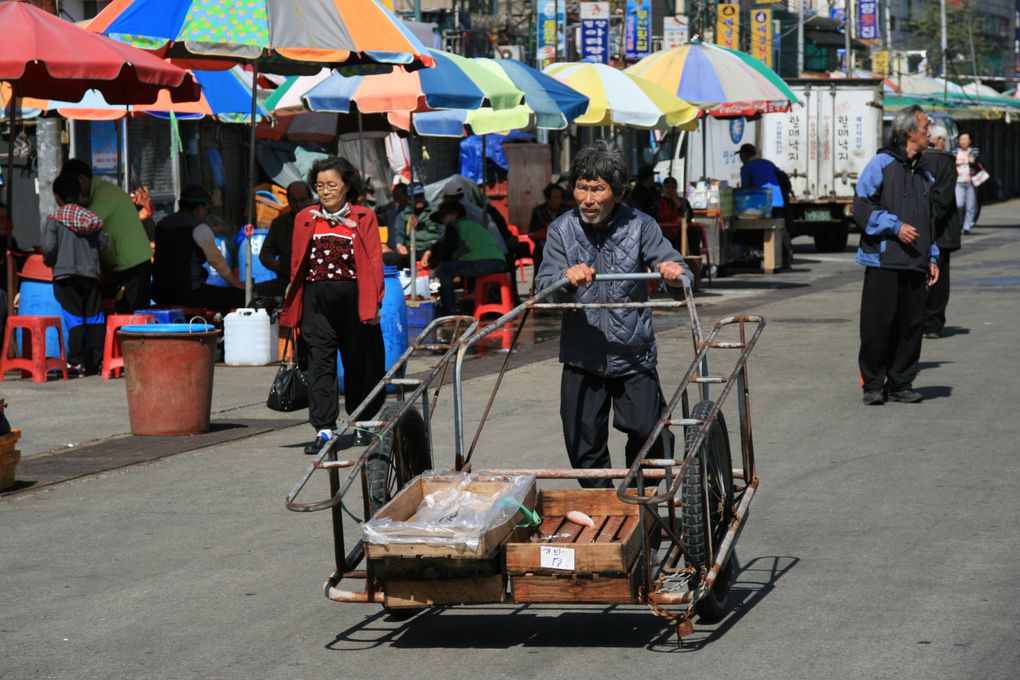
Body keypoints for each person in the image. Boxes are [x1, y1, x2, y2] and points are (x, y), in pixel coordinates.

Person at [535, 141, 691, 488]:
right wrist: (564, 278)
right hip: (582, 354)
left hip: (632, 352)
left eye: (597, 189)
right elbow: (543, 283)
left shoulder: (641, 225)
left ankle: (638, 500)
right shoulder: (561, 229)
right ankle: (605, 505)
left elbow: (679, 269)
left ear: (618, 192)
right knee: (583, 445)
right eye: (581, 187)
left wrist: (672, 273)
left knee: (651, 435)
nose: (587, 198)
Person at [279, 157, 386, 455]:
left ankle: (362, 424)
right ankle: (324, 428)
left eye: (332, 185)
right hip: (316, 301)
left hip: (354, 298)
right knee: (320, 364)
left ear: (347, 186)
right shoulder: (305, 218)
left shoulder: (364, 217)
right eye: (320, 186)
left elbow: (375, 261)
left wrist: (374, 302)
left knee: (358, 363)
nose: (325, 191)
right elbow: (297, 264)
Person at [854, 105, 940, 406]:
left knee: (911, 325)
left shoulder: (925, 174)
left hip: (916, 261)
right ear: (908, 132)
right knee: (878, 325)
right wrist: (894, 226)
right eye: (925, 126)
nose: (929, 132)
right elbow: (862, 206)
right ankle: (873, 384)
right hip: (884, 259)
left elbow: (930, 220)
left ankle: (902, 382)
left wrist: (933, 256)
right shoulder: (881, 164)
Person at [59, 159, 152, 313]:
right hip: (127, 264)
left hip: (132, 265)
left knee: (131, 318)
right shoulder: (98, 193)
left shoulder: (105, 193)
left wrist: (60, 212)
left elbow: (86, 222)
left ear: (82, 179)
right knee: (129, 315)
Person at [41, 174, 108, 377]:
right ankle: (97, 361)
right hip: (91, 276)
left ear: (57, 197)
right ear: (79, 194)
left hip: (66, 277)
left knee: (75, 318)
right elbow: (104, 244)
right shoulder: (90, 218)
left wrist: (51, 262)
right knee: (95, 317)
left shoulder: (55, 220)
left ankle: (77, 363)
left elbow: (49, 249)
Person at [151, 184, 246, 312]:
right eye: (206, 209)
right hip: (188, 294)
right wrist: (237, 284)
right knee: (240, 297)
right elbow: (217, 261)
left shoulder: (162, 224)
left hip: (159, 293)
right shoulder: (199, 228)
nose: (206, 213)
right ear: (199, 208)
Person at [421, 200, 506, 316]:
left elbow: (447, 252)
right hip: (498, 261)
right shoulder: (471, 224)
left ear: (454, 214)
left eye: (443, 217)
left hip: (483, 263)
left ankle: (449, 312)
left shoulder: (454, 226)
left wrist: (435, 263)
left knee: (443, 269)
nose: (442, 221)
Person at [923, 124, 963, 340]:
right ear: (939, 141)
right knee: (939, 276)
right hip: (941, 231)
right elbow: (944, 199)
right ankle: (933, 323)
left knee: (919, 276)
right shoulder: (945, 161)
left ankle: (919, 321)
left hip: (918, 229)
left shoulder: (917, 160)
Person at [258, 181, 314, 298]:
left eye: (303, 200)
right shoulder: (279, 224)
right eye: (294, 201)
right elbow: (266, 252)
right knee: (257, 291)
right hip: (287, 280)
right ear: (289, 202)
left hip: (315, 281)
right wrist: (273, 263)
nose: (299, 205)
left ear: (310, 199)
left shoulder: (321, 221)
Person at [739, 143, 793, 264]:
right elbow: (780, 175)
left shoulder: (746, 167)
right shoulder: (768, 163)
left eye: (741, 155)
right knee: (780, 230)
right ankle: (784, 258)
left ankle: (760, 256)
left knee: (759, 230)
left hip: (762, 204)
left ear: (744, 155)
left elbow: (745, 190)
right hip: (779, 201)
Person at [395, 183, 445, 259]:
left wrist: (430, 251)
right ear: (408, 199)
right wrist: (399, 245)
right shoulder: (402, 213)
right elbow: (399, 232)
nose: (419, 199)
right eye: (415, 197)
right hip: (412, 250)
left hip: (432, 249)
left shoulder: (435, 210)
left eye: (421, 195)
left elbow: (443, 234)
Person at [528, 183, 570, 271]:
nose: (558, 200)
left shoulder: (566, 211)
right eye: (555, 197)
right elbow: (532, 232)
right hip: (543, 247)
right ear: (547, 199)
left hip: (563, 247)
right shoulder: (538, 211)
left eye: (560, 197)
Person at [375, 181, 410, 267]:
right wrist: (384, 208)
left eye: (399, 196)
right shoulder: (391, 212)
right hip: (392, 250)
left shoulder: (410, 211)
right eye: (394, 197)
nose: (396, 200)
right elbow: (376, 219)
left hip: (407, 250)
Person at [953, 132, 980, 234]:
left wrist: (974, 161)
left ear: (970, 141)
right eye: (961, 139)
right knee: (959, 204)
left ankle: (967, 226)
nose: (963, 141)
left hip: (970, 182)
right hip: (958, 181)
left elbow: (981, 163)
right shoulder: (954, 152)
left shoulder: (974, 152)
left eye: (965, 139)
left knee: (971, 205)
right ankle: (960, 223)